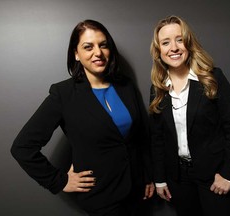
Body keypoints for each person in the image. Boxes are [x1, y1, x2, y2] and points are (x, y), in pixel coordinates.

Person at [11, 19, 154, 216]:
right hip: (102, 197)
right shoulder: (63, 94)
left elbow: (141, 137)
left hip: (138, 192)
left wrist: (148, 176)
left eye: (103, 45)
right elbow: (22, 147)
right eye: (88, 47)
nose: (98, 53)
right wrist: (58, 181)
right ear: (76, 54)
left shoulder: (126, 86)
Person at [149, 15, 230, 216]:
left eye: (179, 39)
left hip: (213, 175)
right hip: (178, 179)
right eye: (166, 42)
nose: (173, 47)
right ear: (159, 50)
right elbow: (157, 139)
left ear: (188, 43)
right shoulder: (157, 89)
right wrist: (159, 179)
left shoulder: (213, 77)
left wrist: (228, 175)